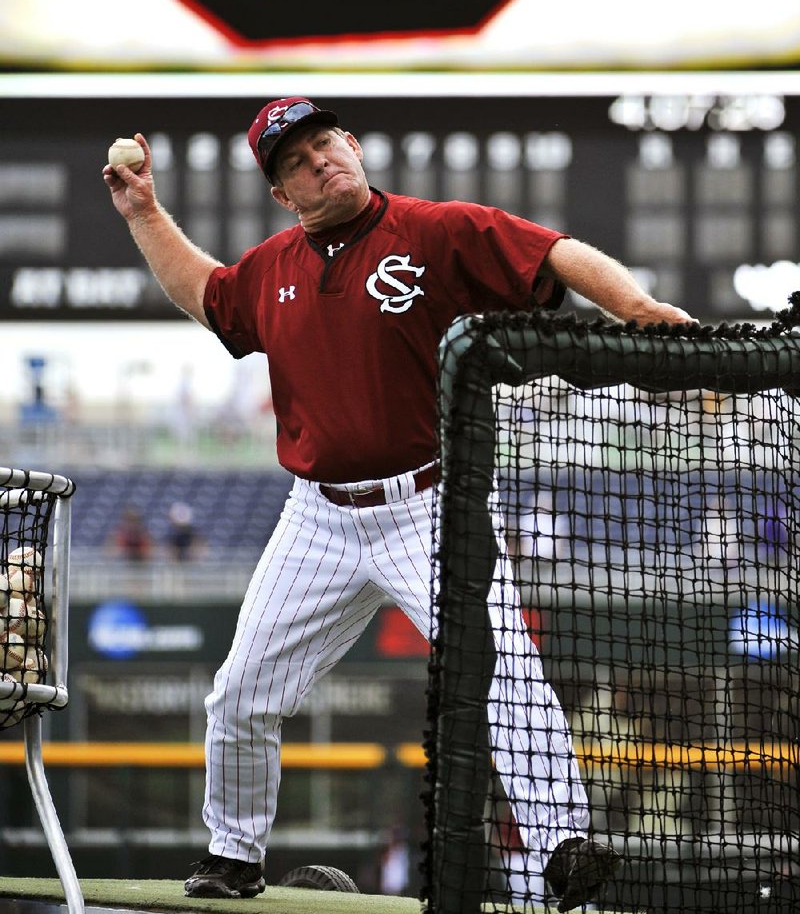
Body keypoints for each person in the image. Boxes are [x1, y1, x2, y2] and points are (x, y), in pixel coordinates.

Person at [102, 96, 694, 910]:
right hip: (317, 515)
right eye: (296, 161)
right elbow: (206, 292)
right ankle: (234, 852)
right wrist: (145, 213)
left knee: (505, 672)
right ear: (283, 193)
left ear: (352, 142)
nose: (320, 161)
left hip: (428, 504)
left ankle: (562, 844)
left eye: (325, 142)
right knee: (238, 692)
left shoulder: (434, 229)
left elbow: (556, 253)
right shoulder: (274, 266)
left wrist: (634, 308)